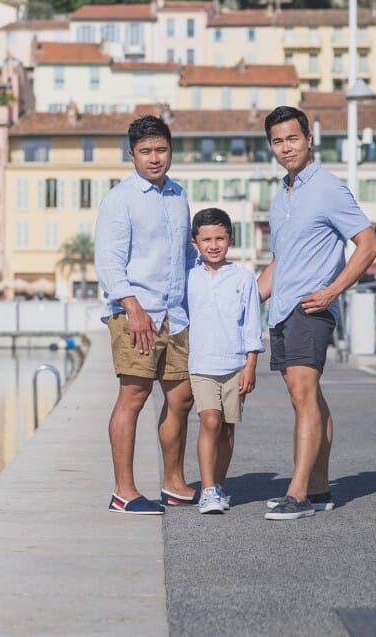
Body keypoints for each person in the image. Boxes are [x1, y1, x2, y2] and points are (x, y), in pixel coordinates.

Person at [258, 106, 376, 521]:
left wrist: (331, 291)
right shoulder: (281, 197)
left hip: (310, 308)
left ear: (309, 139)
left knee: (303, 396)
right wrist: (248, 299)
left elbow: (368, 244)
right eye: (277, 141)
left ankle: (298, 494)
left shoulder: (329, 189)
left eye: (293, 138)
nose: (285, 147)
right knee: (309, 399)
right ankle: (321, 487)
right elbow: (281, 260)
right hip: (281, 309)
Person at [95, 115, 198, 514]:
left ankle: (173, 483)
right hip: (136, 313)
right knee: (134, 396)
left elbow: (185, 257)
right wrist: (133, 309)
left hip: (176, 313)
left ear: (170, 151)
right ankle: (124, 491)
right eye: (145, 152)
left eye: (161, 150)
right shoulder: (120, 198)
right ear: (132, 155)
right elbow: (108, 261)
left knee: (181, 397)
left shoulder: (177, 195)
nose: (154, 158)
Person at [185, 207, 264, 515]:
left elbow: (252, 325)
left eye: (220, 238)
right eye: (206, 240)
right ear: (195, 243)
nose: (213, 245)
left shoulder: (244, 279)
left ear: (230, 239)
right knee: (210, 421)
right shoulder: (189, 277)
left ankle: (218, 485)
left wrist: (251, 365)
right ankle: (206, 491)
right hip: (201, 365)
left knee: (228, 429)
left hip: (234, 365)